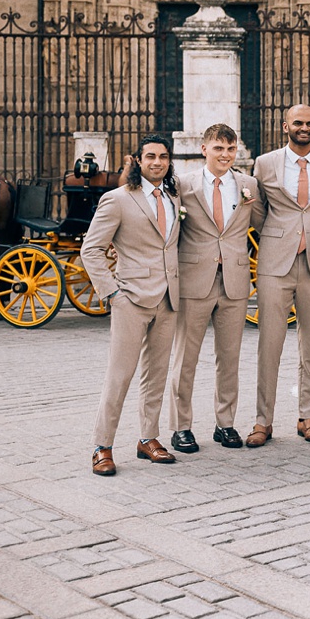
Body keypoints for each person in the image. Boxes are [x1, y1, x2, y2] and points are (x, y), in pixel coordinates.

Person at [81, 135, 181, 475]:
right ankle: (102, 445)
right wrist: (111, 293)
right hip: (130, 299)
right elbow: (91, 249)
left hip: (169, 298)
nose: (157, 162)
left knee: (157, 375)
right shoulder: (117, 199)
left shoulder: (172, 197)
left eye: (163, 157)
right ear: (138, 160)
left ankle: (148, 438)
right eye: (150, 156)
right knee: (119, 375)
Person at [248, 105, 310, 447]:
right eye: (298, 123)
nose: (304, 128)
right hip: (276, 263)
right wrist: (280, 235)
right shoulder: (265, 163)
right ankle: (263, 421)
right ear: (285, 125)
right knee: (269, 344)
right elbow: (258, 210)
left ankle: (308, 415)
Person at [167, 124, 265, 453]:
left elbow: (264, 224)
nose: (225, 155)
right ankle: (181, 427)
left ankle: (225, 424)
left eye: (230, 149)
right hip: (195, 280)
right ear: (204, 149)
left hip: (235, 281)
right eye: (218, 148)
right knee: (186, 358)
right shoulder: (184, 184)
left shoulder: (248, 185)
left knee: (230, 358)